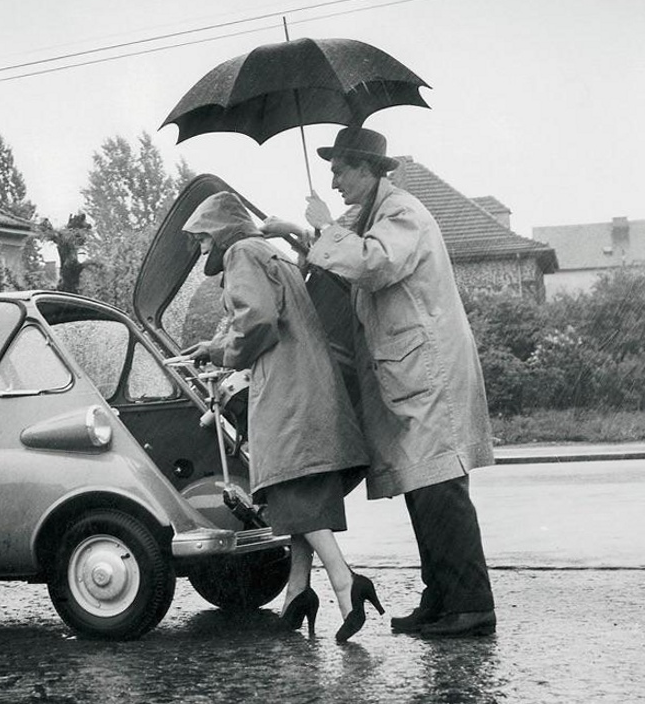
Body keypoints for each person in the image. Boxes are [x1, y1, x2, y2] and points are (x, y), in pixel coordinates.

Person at [263, 127, 496, 637]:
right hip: (413, 373)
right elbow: (347, 263)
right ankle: (441, 601)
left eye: (341, 169)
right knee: (423, 487)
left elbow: (374, 262)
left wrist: (322, 226)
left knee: (438, 489)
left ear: (369, 169)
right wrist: (301, 235)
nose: (334, 178)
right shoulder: (374, 216)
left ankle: (469, 606)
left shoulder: (401, 212)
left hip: (428, 373)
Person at [181, 190, 380, 642]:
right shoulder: (273, 254)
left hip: (285, 385)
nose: (201, 248)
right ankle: (297, 592)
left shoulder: (241, 253)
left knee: (287, 486)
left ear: (220, 230)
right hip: (310, 379)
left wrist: (226, 354)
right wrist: (213, 347)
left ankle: (346, 581)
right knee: (299, 487)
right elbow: (272, 314)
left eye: (202, 238)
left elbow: (257, 321)